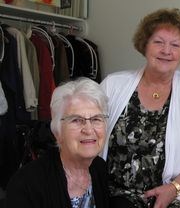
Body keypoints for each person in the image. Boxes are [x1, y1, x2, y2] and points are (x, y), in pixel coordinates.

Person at [100, 8, 180, 208]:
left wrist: (174, 187)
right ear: (145, 45)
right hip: (120, 193)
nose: (166, 51)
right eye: (158, 42)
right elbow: (88, 132)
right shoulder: (113, 85)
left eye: (175, 45)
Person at [5, 77, 109, 208]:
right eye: (76, 120)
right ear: (57, 132)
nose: (88, 129)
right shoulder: (26, 184)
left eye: (96, 119)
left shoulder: (100, 169)